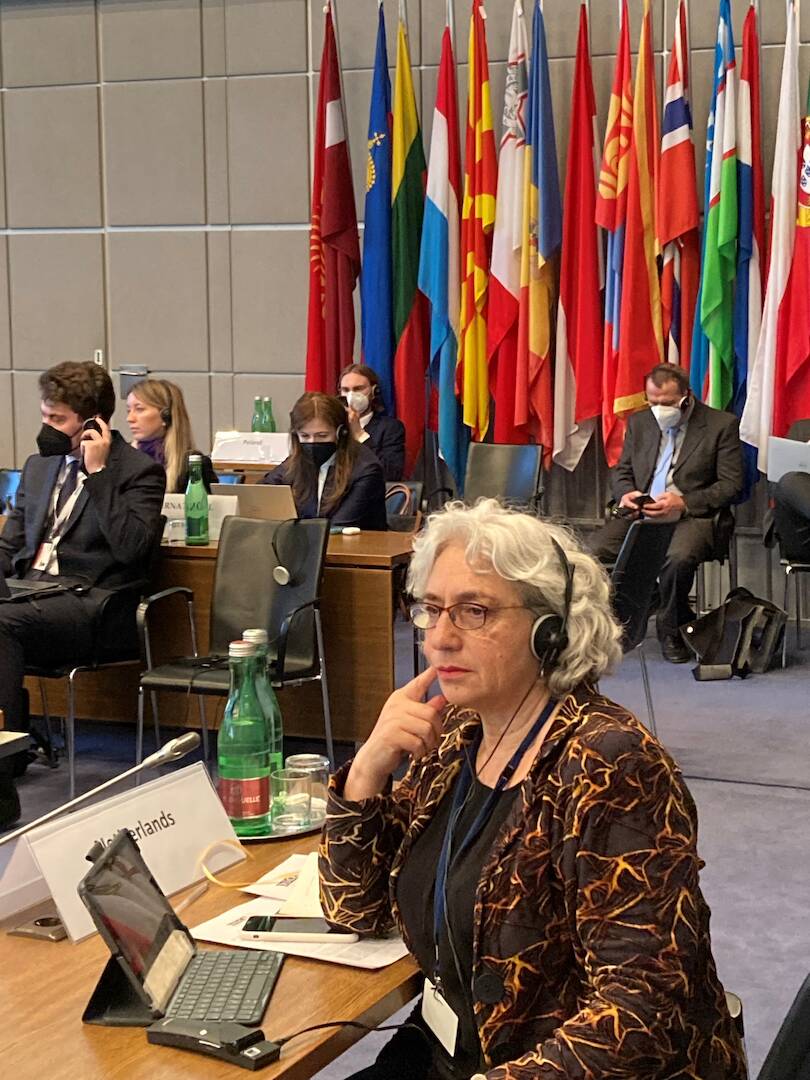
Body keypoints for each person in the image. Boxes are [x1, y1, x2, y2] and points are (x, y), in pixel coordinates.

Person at [319, 499, 746, 1080]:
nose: (440, 638)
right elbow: (356, 909)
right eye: (431, 609)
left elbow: (641, 1014)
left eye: (473, 612)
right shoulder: (457, 733)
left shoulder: (610, 766)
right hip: (452, 1047)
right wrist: (368, 769)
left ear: (551, 630)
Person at [0, 362, 165, 827]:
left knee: (1, 623)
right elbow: (11, 545)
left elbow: (132, 549)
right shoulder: (38, 466)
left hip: (92, 604)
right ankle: (12, 741)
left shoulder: (138, 471)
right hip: (27, 593)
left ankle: (4, 769)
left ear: (93, 422)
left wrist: (98, 474)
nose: (47, 428)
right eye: (44, 416)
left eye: (58, 419)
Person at [590, 363, 744, 663]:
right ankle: (655, 601)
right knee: (593, 553)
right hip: (642, 512)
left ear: (686, 396)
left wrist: (683, 502)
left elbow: (731, 485)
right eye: (654, 402)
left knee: (677, 559)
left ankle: (671, 629)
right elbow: (621, 471)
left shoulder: (720, 425)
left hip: (692, 515)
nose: (660, 409)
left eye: (668, 402)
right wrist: (626, 493)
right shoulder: (640, 422)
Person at [262, 392, 387, 530]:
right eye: (305, 436)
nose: (312, 442)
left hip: (353, 542)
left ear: (341, 432)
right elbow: (262, 493)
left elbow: (338, 527)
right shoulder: (296, 462)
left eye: (322, 436)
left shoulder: (366, 469)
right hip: (304, 540)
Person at [126, 377, 217, 493]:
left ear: (166, 416)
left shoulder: (193, 465)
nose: (130, 418)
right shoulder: (122, 457)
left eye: (139, 409)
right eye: (128, 410)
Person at [338, 363, 406, 481]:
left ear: (374, 391)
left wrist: (359, 434)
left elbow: (391, 474)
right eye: (346, 390)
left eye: (358, 389)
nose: (351, 395)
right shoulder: (333, 426)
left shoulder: (390, 428)